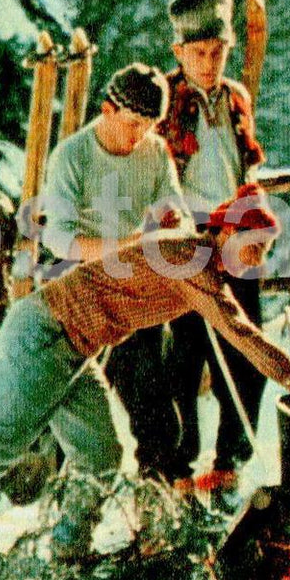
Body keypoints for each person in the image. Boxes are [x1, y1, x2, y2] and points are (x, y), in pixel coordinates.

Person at [0, 184, 290, 580]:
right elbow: (242, 335)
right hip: (44, 334)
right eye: (255, 245)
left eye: (266, 249)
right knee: (0, 445)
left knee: (101, 455)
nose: (259, 257)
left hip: (73, 347)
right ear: (227, 232)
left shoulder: (199, 262)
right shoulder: (192, 259)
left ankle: (69, 552)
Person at [42, 63, 187, 480]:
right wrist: (123, 247)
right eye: (134, 124)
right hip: (78, 283)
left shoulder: (154, 152)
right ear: (107, 110)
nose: (140, 135)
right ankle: (57, 496)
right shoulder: (73, 155)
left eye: (150, 125)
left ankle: (154, 499)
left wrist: (173, 221)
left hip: (132, 285)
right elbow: (59, 239)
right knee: (71, 405)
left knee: (156, 408)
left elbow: (172, 205)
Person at [156, 0, 270, 489]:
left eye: (218, 52)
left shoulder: (236, 98)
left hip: (235, 237)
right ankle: (179, 471)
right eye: (198, 53)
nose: (209, 62)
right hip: (184, 239)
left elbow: (243, 166)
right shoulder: (164, 102)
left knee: (250, 354)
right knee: (185, 358)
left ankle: (229, 465)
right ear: (179, 52)